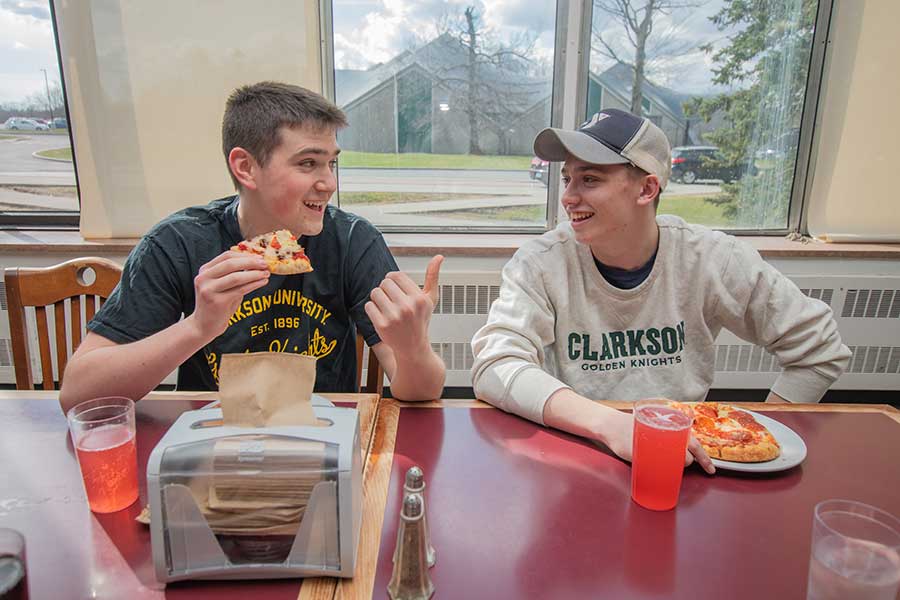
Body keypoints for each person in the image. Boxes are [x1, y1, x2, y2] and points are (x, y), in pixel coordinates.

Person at [471, 108, 851, 474]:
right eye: (569, 178)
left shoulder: (711, 257)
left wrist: (746, 435)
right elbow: (496, 367)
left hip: (684, 461)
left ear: (647, 188)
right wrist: (612, 426)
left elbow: (820, 349)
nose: (568, 196)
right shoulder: (541, 262)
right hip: (577, 449)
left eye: (590, 180)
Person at [59, 81, 445, 413]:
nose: (328, 183)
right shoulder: (178, 242)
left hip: (325, 440)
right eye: (308, 163)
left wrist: (412, 350)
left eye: (331, 164)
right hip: (214, 437)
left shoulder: (352, 241)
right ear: (246, 168)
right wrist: (198, 327)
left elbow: (422, 392)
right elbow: (77, 394)